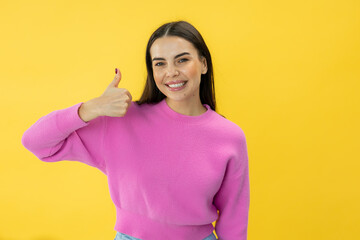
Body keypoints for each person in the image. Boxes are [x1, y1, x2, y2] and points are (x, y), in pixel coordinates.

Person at [21, 20, 250, 240]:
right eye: (160, 63)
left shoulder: (229, 136)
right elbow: (36, 142)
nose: (171, 72)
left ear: (203, 64)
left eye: (182, 60)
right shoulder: (123, 119)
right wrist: (92, 107)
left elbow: (234, 218)